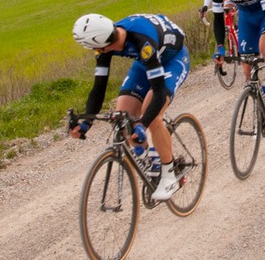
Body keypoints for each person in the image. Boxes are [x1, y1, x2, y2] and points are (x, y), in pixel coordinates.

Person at [71, 12, 191, 201]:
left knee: (152, 115)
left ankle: (169, 173)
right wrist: (86, 121)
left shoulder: (142, 41)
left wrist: (143, 123)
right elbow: (99, 87)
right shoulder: (106, 42)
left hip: (172, 61)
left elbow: (159, 92)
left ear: (103, 45)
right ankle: (152, 162)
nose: (95, 51)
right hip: (145, 65)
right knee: (123, 114)